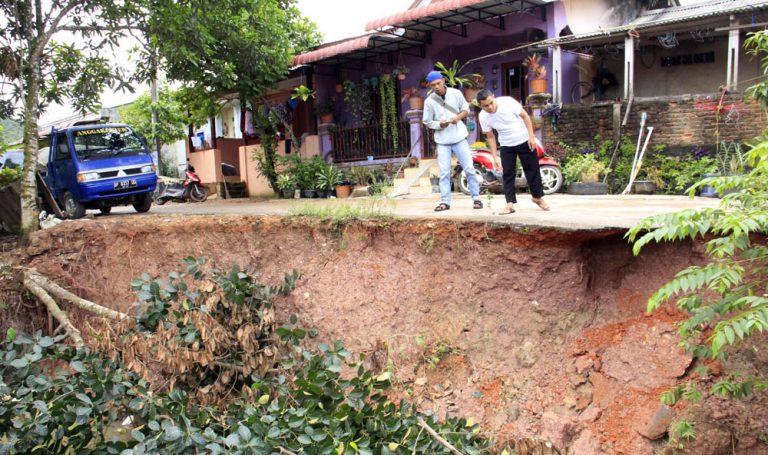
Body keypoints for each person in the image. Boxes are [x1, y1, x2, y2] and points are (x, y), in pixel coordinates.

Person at [476, 89, 550, 214]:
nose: (490, 107)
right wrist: (495, 157)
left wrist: (531, 137)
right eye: (485, 106)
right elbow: (490, 136)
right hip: (506, 145)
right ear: (480, 105)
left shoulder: (508, 102)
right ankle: (510, 204)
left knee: (532, 170)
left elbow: (525, 116)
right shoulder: (483, 116)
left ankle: (537, 197)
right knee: (508, 174)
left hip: (524, 139)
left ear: (494, 97)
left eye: (491, 103)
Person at [422, 70, 482, 212]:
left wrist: (458, 117)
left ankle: (476, 198)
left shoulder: (456, 93)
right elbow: (427, 121)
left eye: (438, 83)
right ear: (430, 86)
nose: (436, 86)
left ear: (443, 80)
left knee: (469, 169)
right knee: (444, 172)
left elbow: (466, 109)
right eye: (433, 85)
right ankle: (445, 202)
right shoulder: (429, 102)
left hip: (459, 137)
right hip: (442, 141)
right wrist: (439, 124)